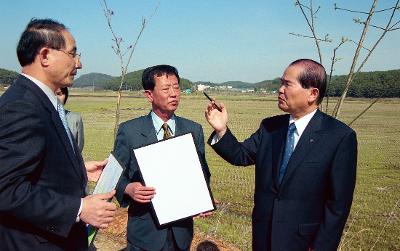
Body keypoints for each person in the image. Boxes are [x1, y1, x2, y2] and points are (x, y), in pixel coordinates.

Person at [205, 59, 357, 251]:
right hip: (263, 237)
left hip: (303, 242)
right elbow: (240, 155)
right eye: (281, 83)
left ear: (312, 93)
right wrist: (221, 130)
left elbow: (338, 206)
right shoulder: (270, 127)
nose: (280, 89)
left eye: (287, 84)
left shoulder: (339, 136)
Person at [0, 18, 116, 250]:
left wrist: (79, 168)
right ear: (45, 56)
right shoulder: (21, 106)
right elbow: (6, 189)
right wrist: (79, 208)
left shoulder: (41, 100)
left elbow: (32, 166)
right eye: (73, 54)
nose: (79, 63)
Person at [114, 64, 212, 251]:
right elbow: (114, 176)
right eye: (166, 89)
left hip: (181, 233)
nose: (174, 94)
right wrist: (128, 188)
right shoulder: (130, 131)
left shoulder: (193, 130)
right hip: (144, 232)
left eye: (176, 87)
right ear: (149, 95)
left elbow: (202, 172)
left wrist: (203, 198)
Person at [56, 87, 85, 152]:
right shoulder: (38, 118)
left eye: (59, 94)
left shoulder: (75, 118)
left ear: (65, 96)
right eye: (52, 94)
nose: (56, 98)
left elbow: (79, 147)